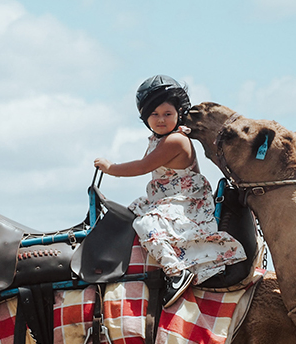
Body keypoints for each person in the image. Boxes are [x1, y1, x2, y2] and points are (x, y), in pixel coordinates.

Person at [94, 75, 246, 307]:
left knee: (146, 224)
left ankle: (176, 271)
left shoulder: (176, 140)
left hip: (186, 200)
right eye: (154, 114)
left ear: (179, 113)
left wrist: (110, 168)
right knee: (130, 212)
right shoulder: (157, 139)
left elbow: (143, 166)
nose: (161, 120)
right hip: (163, 197)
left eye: (167, 113)